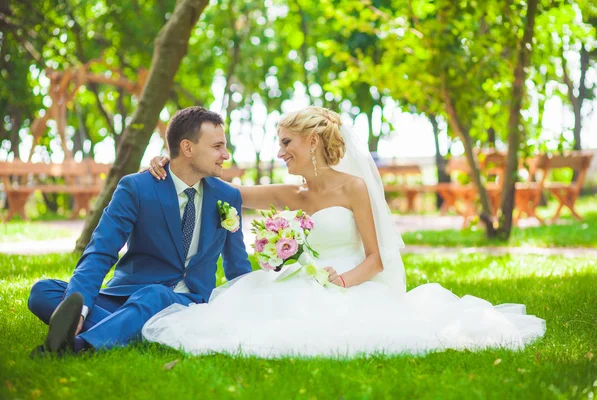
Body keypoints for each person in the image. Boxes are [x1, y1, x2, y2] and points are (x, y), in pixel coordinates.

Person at [143, 106, 545, 357]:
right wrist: (167, 160)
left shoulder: (354, 188)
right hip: (298, 283)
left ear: (313, 140)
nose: (280, 152)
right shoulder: (290, 193)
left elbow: (378, 257)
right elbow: (219, 188)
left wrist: (344, 280)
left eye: (287, 142)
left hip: (351, 284)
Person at [27, 106, 252, 356]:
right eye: (217, 147)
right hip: (125, 295)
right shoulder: (136, 187)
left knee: (155, 295)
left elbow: (238, 267)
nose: (226, 154)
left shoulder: (228, 196)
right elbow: (101, 250)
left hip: (188, 304)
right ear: (188, 148)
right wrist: (79, 311)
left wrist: (246, 308)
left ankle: (79, 346)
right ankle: (133, 330)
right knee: (43, 292)